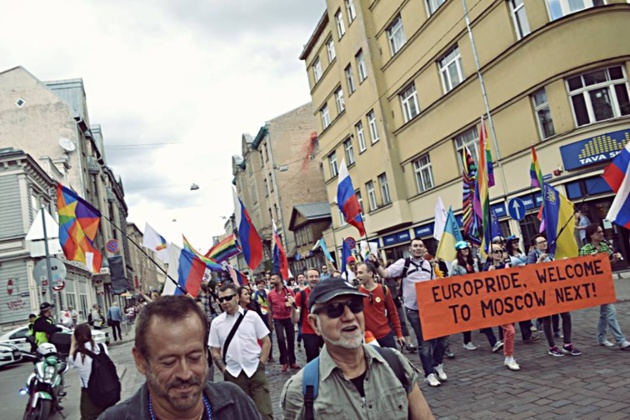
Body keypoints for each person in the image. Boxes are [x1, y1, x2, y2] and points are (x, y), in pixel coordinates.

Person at [280, 277, 434, 419]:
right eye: (334, 309)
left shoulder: (395, 362)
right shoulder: (300, 390)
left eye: (355, 306)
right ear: (314, 323)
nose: (349, 316)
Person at [98, 295, 263, 420]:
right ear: (141, 361)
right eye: (169, 362)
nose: (185, 374)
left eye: (194, 358)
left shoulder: (235, 403)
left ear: (206, 353)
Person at [371, 238, 447, 387]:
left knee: (441, 340)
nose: (418, 248)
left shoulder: (428, 265)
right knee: (424, 342)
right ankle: (429, 373)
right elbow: (385, 274)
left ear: (424, 249)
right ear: (410, 249)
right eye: (415, 246)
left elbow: (433, 285)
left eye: (420, 246)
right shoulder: (403, 263)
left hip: (430, 309)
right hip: (413, 310)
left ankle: (438, 364)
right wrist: (375, 264)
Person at [209, 284, 273, 419]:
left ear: (237, 297)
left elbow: (266, 341)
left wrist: (261, 364)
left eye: (228, 298)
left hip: (255, 370)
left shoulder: (252, 316)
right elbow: (214, 350)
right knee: (241, 415)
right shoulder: (216, 323)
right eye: (221, 300)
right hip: (234, 375)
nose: (225, 302)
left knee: (265, 412)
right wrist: (224, 370)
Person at [527, 234, 581, 357]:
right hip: (543, 291)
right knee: (547, 319)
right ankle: (552, 346)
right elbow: (528, 271)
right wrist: (539, 261)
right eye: (540, 242)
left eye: (545, 241)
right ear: (535, 245)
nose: (544, 244)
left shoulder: (551, 255)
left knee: (566, 315)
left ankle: (567, 343)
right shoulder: (533, 255)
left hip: (555, 290)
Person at [579, 223, 630, 350]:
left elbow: (609, 264)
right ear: (591, 235)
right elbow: (582, 268)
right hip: (596, 284)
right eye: (598, 232)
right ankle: (621, 340)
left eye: (602, 232)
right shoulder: (586, 249)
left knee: (605, 313)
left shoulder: (605, 246)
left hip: (606, 282)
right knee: (611, 312)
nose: (602, 234)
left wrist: (615, 259)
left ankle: (601, 337)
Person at [485, 244, 521, 371]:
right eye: (495, 251)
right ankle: (510, 357)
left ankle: (508, 356)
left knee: (508, 332)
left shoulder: (507, 266)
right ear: (490, 254)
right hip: (497, 306)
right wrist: (488, 275)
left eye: (500, 251)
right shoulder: (487, 269)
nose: (499, 254)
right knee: (510, 331)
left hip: (510, 303)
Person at [356, 262, 405, 349]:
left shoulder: (384, 289)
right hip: (368, 339)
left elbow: (393, 313)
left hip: (386, 336)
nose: (357, 276)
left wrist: (399, 334)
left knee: (392, 361)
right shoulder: (356, 293)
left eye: (360, 273)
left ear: (370, 274)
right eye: (357, 273)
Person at [71, 323, 110, 419]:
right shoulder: (102, 347)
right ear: (90, 334)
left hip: (89, 395)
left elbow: (71, 363)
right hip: (107, 390)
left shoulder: (77, 355)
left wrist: (73, 343)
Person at [449, 241, 480, 351]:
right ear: (459, 251)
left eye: (467, 248)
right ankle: (467, 341)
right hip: (463, 296)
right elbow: (452, 279)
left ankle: (492, 339)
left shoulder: (474, 261)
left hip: (475, 294)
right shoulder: (455, 264)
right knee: (467, 319)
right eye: (463, 249)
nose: (465, 250)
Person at [291, 269, 324, 362]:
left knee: (333, 358)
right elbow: (295, 319)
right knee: (313, 360)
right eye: (311, 277)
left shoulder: (325, 292)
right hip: (309, 332)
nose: (314, 279)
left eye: (316, 276)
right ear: (306, 279)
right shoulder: (301, 295)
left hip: (325, 331)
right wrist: (293, 308)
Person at [268, 272, 299, 372]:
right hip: (277, 318)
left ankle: (292, 361)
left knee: (290, 339)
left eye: (273, 279)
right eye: (271, 279)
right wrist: (270, 322)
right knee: (280, 339)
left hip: (288, 317)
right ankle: (284, 361)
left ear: (279, 279)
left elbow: (295, 305)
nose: (271, 281)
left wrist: (292, 304)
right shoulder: (271, 294)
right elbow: (269, 308)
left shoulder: (289, 291)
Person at [253, 279, 274, 363]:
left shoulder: (267, 293)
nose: (261, 286)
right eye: (259, 285)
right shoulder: (254, 295)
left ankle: (270, 355)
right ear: (257, 286)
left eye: (262, 285)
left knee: (269, 336)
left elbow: (269, 305)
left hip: (267, 316)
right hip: (259, 317)